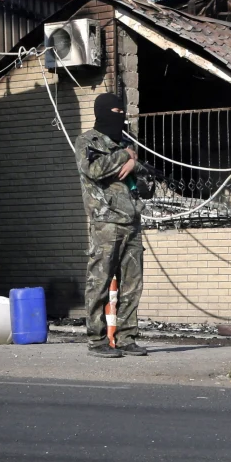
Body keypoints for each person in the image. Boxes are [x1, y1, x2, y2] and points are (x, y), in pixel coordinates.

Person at [75, 93, 147, 358]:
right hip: (105, 222)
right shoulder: (87, 141)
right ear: (103, 111)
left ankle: (127, 337)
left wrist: (135, 164)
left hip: (132, 222)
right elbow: (93, 171)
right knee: (100, 282)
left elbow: (145, 184)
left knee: (132, 284)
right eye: (115, 110)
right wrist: (125, 156)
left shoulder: (126, 143)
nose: (120, 115)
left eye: (122, 110)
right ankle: (97, 340)